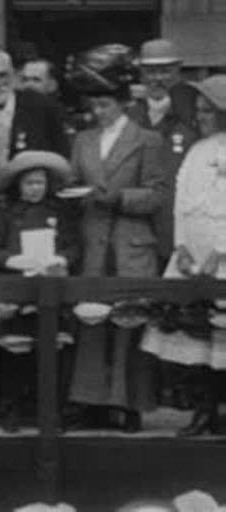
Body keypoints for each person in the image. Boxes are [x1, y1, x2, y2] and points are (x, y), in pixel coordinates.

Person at [64, 44, 166, 432]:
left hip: (130, 242)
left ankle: (129, 405)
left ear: (123, 103)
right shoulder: (83, 140)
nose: (98, 111)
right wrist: (71, 192)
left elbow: (157, 195)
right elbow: (73, 182)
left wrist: (119, 198)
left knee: (129, 322)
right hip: (93, 240)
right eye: (94, 105)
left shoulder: (146, 140)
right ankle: (91, 402)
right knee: (91, 321)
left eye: (105, 104)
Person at [140, 74, 226, 436]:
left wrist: (221, 251)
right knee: (195, 336)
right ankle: (204, 410)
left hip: (221, 254)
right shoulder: (196, 150)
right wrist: (181, 246)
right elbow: (180, 201)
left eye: (208, 110)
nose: (201, 116)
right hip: (192, 252)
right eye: (199, 110)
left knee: (222, 337)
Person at [0, 151, 79, 432]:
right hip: (17, 289)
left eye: (40, 183)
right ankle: (13, 410)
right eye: (29, 183)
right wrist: (13, 260)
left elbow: (74, 246)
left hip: (50, 288)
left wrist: (61, 259)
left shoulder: (59, 213)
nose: (35, 188)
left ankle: (52, 414)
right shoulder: (5, 214)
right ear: (18, 185)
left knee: (53, 354)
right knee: (16, 355)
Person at [0, 48, 70, 271]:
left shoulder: (43, 108)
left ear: (14, 75)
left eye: (2, 75)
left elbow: (61, 159)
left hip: (38, 215)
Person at [129, 39, 199, 266]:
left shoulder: (195, 113)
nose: (157, 78)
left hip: (183, 221)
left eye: (165, 71)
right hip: (137, 224)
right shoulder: (129, 116)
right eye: (150, 71)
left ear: (178, 70)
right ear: (141, 73)